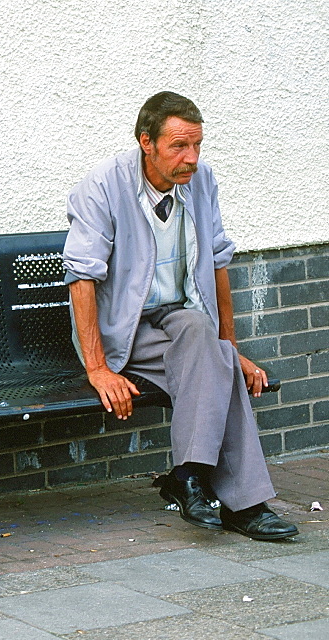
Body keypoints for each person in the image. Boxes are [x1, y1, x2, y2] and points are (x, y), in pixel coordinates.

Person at [63, 91, 298, 541]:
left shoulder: (201, 180)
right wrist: (97, 368)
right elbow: (81, 279)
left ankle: (188, 475)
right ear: (145, 142)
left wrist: (230, 346)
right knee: (219, 368)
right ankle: (243, 504)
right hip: (125, 330)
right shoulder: (101, 187)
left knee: (204, 338)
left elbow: (217, 262)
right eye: (179, 146)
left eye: (197, 146)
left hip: (183, 322)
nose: (191, 158)